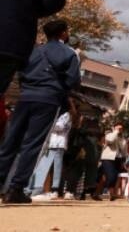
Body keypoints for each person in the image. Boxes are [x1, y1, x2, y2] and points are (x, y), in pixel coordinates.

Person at [0, 19, 79, 204]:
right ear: (63, 33)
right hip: (49, 100)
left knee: (10, 140)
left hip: (25, 97)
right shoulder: (69, 53)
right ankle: (16, 189)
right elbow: (73, 81)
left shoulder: (34, 50)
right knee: (33, 144)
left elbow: (20, 72)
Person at [28, 109, 72, 200]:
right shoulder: (54, 113)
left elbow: (60, 127)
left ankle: (55, 189)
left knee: (57, 168)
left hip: (59, 144)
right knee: (44, 166)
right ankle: (39, 189)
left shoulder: (66, 114)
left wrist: (48, 122)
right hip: (49, 144)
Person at [96, 122, 127, 201]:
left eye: (121, 128)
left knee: (104, 178)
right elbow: (110, 140)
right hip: (107, 158)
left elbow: (124, 150)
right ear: (114, 128)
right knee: (111, 177)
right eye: (118, 128)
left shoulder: (122, 138)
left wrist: (123, 160)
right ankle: (112, 194)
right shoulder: (109, 135)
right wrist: (115, 132)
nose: (120, 130)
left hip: (117, 159)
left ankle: (96, 193)